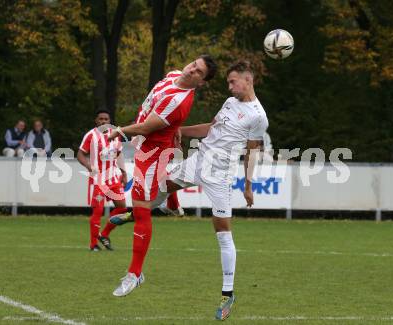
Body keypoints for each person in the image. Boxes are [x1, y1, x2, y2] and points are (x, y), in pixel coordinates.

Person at [114, 60, 269, 320]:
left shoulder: (258, 116)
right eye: (228, 82)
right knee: (157, 188)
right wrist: (181, 131)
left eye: (233, 82)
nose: (230, 87)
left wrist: (249, 185)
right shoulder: (230, 104)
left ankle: (227, 293)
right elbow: (212, 128)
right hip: (197, 162)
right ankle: (139, 213)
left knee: (222, 231)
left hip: (220, 175)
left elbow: (252, 151)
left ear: (248, 80)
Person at [106, 55, 217, 297]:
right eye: (193, 65)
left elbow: (147, 127)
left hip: (152, 155)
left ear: (202, 82)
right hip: (146, 146)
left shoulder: (180, 102)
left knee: (142, 209)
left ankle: (135, 274)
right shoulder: (174, 75)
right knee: (158, 189)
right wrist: (172, 130)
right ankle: (171, 206)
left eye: (198, 72)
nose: (191, 70)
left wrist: (120, 131)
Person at [77, 110, 128, 251]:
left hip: (113, 179)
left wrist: (123, 173)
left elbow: (119, 154)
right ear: (96, 120)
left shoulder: (115, 134)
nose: (103, 121)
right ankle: (93, 244)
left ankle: (104, 234)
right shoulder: (91, 135)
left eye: (106, 119)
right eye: (101, 119)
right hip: (98, 180)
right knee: (98, 211)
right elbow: (80, 154)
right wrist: (88, 166)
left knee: (122, 208)